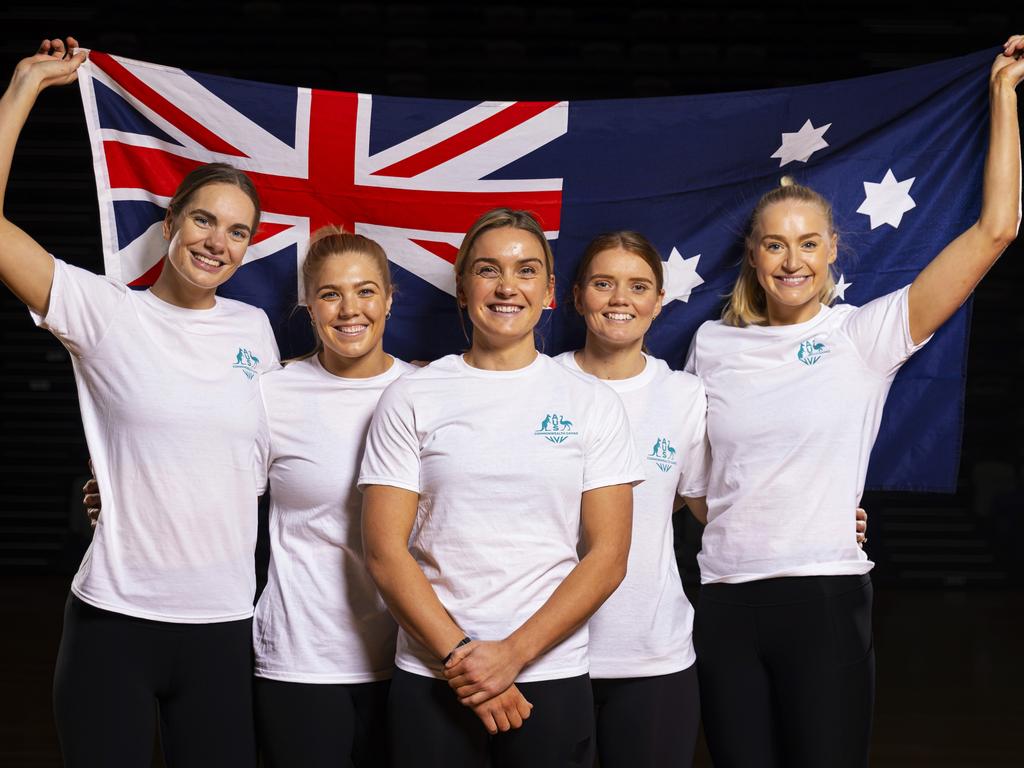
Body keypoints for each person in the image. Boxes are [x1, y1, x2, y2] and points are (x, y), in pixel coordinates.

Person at [686, 36, 1024, 768]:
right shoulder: (711, 346)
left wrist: (1002, 94)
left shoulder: (864, 335)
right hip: (724, 601)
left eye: (808, 243)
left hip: (826, 600)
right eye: (774, 245)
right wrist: (763, 509)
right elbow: (694, 484)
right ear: (753, 255)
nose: (792, 260)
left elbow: (996, 230)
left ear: (833, 250)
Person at [1, 38, 279, 766]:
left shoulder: (256, 331)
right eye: (205, 220)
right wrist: (24, 85)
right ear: (171, 224)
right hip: (112, 623)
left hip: (222, 625)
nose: (218, 240)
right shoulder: (104, 311)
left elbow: (255, 460)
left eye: (238, 230)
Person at [358, 208, 645, 768]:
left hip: (548, 674)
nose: (507, 285)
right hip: (434, 673)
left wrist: (512, 655)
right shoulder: (413, 395)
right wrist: (466, 658)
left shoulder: (592, 403)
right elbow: (384, 552)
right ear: (463, 288)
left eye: (526, 270)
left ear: (551, 291)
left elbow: (609, 557)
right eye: (488, 270)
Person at [251, 227, 412, 767]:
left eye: (366, 291)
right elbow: (210, 482)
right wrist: (109, 486)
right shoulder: (271, 394)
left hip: (412, 658)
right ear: (309, 306)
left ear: (390, 298)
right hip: (301, 658)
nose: (350, 309)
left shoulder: (426, 392)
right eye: (330, 293)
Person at [556, 231, 709, 767]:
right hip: (545, 655)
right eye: (603, 284)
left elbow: (709, 505)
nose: (620, 299)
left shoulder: (684, 396)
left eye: (637, 286)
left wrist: (823, 522)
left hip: (652, 653)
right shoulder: (540, 381)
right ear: (577, 297)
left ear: (657, 302)